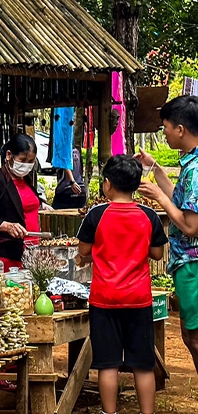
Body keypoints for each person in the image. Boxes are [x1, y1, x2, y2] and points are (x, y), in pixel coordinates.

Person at [78, 155, 167, 414]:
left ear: (107, 184)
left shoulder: (96, 214)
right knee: (143, 363)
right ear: (137, 184)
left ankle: (109, 412)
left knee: (108, 363)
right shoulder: (148, 215)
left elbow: (84, 250)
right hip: (138, 299)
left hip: (104, 299)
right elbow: (158, 254)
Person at [137, 95, 198, 376]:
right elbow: (182, 201)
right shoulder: (190, 165)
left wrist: (158, 196)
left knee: (195, 338)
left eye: (166, 127)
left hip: (193, 265)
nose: (164, 133)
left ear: (181, 129)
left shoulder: (196, 170)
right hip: (187, 264)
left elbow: (190, 226)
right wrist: (156, 170)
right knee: (190, 335)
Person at [0, 133, 45, 270]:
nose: (26, 165)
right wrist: (5, 226)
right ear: (8, 155)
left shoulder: (27, 181)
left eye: (31, 161)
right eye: (23, 160)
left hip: (32, 254)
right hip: (6, 256)